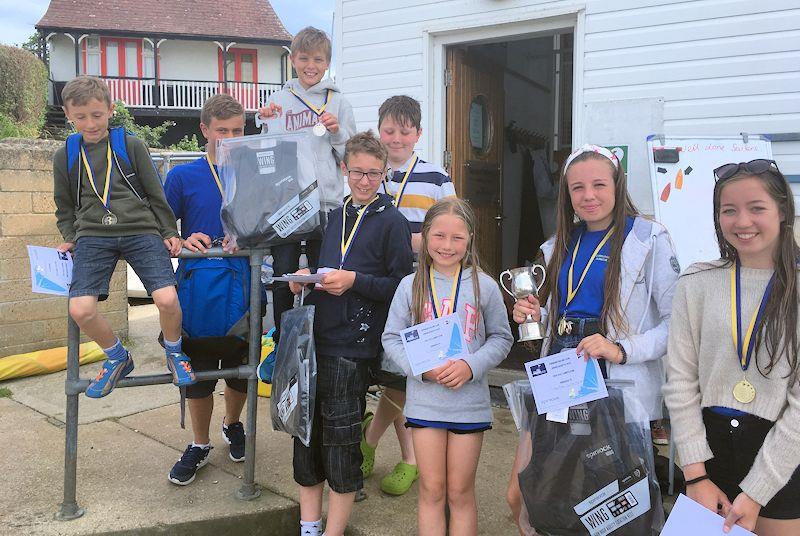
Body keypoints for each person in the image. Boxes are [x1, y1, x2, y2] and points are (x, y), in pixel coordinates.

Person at [507, 144, 679, 530]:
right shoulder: (557, 246)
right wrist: (533, 315)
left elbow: (676, 324)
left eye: (599, 184)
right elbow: (557, 316)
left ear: (618, 186)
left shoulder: (648, 238)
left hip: (615, 381)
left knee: (615, 505)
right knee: (535, 495)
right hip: (561, 376)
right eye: (577, 188)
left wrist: (621, 349)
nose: (588, 196)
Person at [663, 159, 800, 535]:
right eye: (729, 210)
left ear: (783, 210)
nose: (742, 222)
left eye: (757, 208)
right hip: (707, 455)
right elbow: (680, 381)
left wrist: (756, 493)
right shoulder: (696, 282)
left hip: (782, 458)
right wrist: (694, 475)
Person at [287, 131, 413, 536]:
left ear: (384, 173)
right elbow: (328, 268)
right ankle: (309, 526)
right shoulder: (334, 215)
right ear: (344, 169)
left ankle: (334, 531)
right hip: (315, 339)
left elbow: (399, 286)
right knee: (305, 434)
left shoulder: (392, 221)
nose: (364, 180)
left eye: (374, 174)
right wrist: (306, 279)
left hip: (355, 345)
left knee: (341, 440)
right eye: (357, 171)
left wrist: (354, 280)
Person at [53, 75, 193, 399]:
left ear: (110, 110)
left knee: (167, 299)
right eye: (81, 116)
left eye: (97, 115)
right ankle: (117, 356)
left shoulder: (131, 145)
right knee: (80, 309)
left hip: (140, 230)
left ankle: (174, 352)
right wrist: (70, 236)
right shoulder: (66, 156)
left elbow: (155, 193)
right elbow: (63, 204)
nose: (90, 123)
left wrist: (170, 231)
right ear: (68, 113)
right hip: (92, 235)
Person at [382, 197, 513, 536]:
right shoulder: (409, 285)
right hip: (425, 402)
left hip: (469, 406)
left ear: (470, 238)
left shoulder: (484, 285)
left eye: (457, 237)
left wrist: (471, 366)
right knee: (431, 490)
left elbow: (501, 338)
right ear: (425, 236)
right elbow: (391, 338)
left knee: (460, 492)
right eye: (439, 236)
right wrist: (421, 369)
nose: (447, 245)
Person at [360, 95, 457, 497]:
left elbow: (451, 228)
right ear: (379, 130)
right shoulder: (369, 174)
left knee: (405, 373)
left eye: (404, 131)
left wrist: (408, 241)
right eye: (389, 130)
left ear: (419, 134)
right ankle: (393, 450)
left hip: (421, 290)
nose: (396, 138)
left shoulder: (436, 177)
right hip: (376, 288)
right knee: (388, 372)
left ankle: (387, 448)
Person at [162, 94, 253, 485]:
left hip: (243, 287)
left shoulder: (253, 172)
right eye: (222, 131)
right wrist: (181, 241)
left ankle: (233, 423)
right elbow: (161, 230)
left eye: (237, 130)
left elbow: (272, 222)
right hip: (197, 289)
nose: (230, 138)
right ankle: (199, 443)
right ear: (204, 129)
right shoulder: (182, 176)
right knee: (199, 373)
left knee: (240, 371)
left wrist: (247, 235)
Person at [256, 26, 356, 344]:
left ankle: (320, 341)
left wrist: (338, 131)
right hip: (287, 203)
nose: (310, 65)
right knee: (284, 275)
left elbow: (350, 155)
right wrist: (261, 121)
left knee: (322, 273)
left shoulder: (338, 102)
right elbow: (265, 153)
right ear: (293, 60)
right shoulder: (278, 100)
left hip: (325, 202)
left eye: (317, 59)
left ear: (327, 63)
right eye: (303, 58)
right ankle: (283, 339)